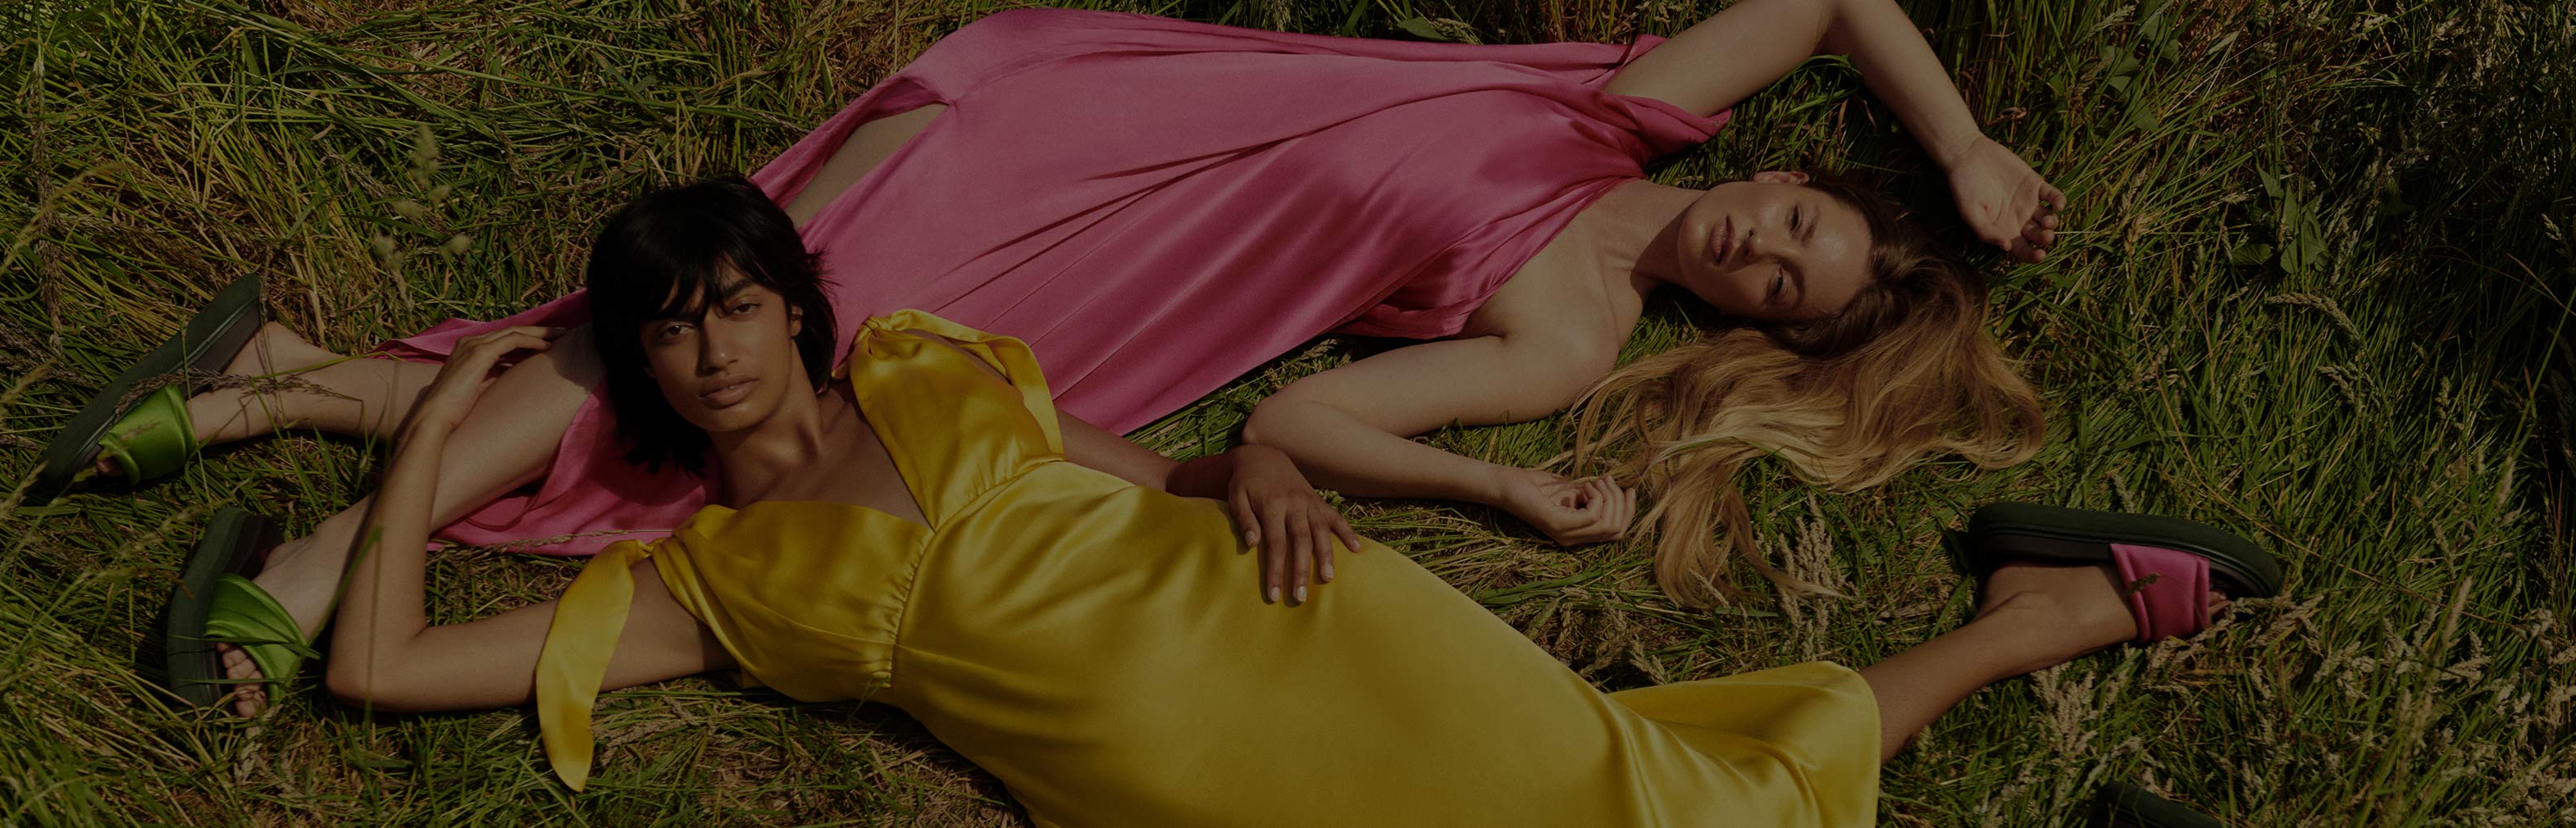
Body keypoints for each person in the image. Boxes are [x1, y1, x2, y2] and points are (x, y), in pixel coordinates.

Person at [43, 2, 2060, 709]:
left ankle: (279, 438)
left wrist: (1485, 485)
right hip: (1087, 119)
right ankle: (286, 415)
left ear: (1736, 332)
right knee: (713, 326)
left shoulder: (1568, 323)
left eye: (1780, 293)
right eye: (1798, 223)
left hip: (1117, 287)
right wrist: (1961, 144)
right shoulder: (1639, 106)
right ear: (1791, 179)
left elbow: (1306, 412)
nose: (1763, 250)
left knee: (704, 358)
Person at [312, 179, 2245, 828]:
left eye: (736, 302)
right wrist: (437, 430)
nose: (713, 347)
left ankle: (2033, 618)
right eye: (667, 329)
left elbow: (1171, 467)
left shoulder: (927, 364)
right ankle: (2038, 616)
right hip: (1216, 793)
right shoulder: (711, 583)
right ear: (642, 370)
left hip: (1310, 624)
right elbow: (383, 668)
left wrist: (1256, 464)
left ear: (795, 307)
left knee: (1644, 808)